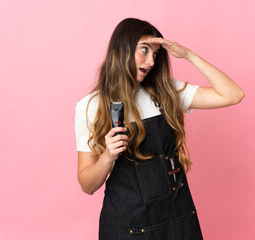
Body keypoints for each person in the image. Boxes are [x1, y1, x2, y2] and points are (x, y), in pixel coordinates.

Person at [74, 18, 244, 240]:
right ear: (122, 48)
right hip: (128, 227)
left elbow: (233, 94)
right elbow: (87, 185)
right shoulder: (90, 106)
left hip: (179, 220)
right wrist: (108, 156)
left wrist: (189, 56)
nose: (151, 61)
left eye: (155, 54)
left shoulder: (166, 92)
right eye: (144, 50)